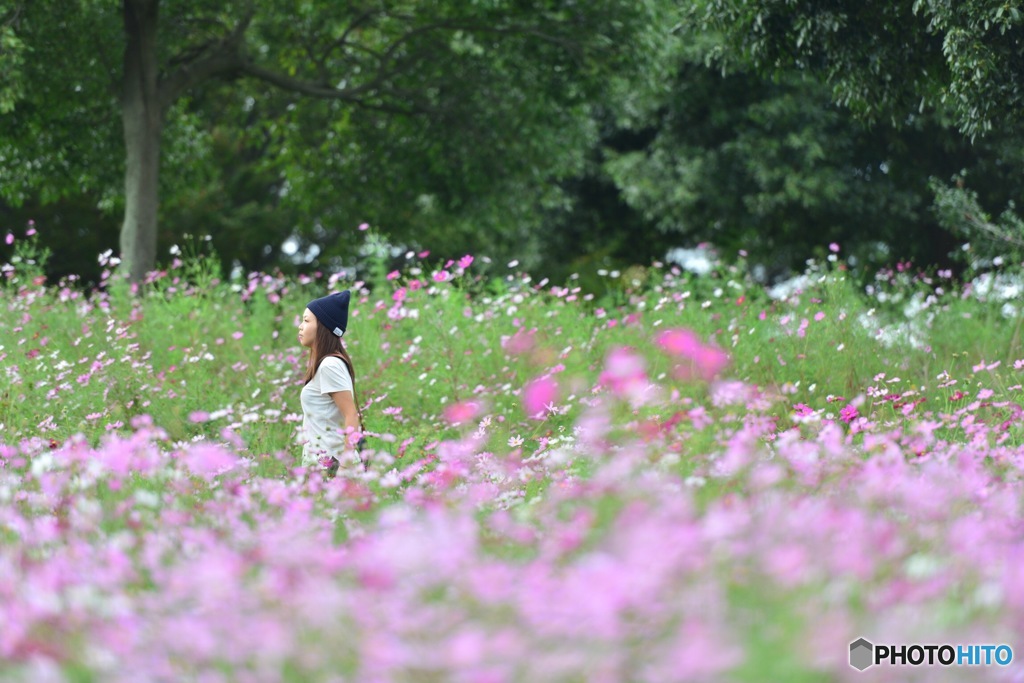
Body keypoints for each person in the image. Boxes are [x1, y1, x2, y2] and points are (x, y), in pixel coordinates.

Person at [297, 290, 365, 476]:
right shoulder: (325, 364)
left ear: (323, 326)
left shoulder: (330, 365)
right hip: (321, 468)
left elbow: (351, 415)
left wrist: (344, 468)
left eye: (306, 320)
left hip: (333, 469)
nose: (300, 327)